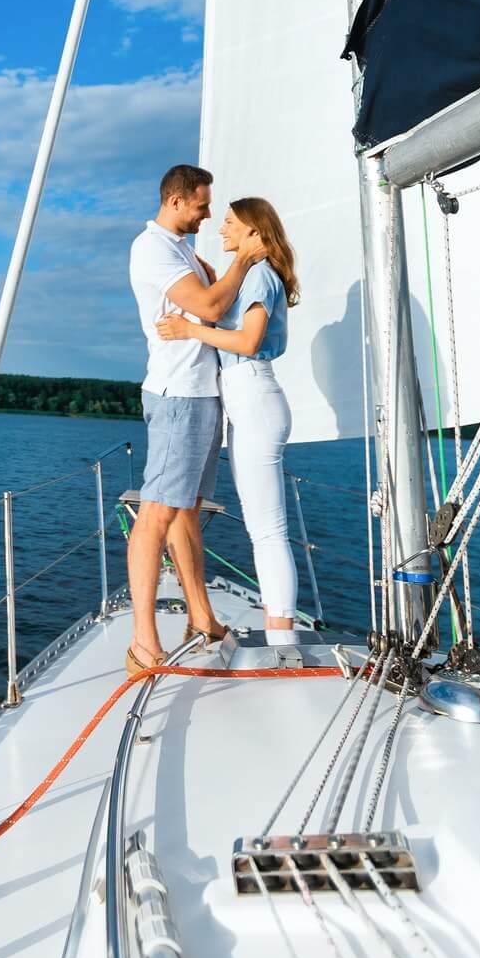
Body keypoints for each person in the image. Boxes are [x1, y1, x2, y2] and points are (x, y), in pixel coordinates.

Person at [125, 164, 266, 679]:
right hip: (178, 395)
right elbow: (209, 303)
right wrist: (244, 258)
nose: (207, 215)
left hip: (200, 394)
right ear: (177, 200)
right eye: (202, 205)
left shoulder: (181, 249)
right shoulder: (153, 249)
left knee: (184, 511)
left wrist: (226, 270)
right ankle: (143, 643)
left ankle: (201, 618)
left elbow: (210, 298)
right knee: (156, 515)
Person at [158, 196, 300, 633]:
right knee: (263, 529)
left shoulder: (259, 275)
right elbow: (223, 305)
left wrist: (189, 329)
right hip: (247, 399)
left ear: (254, 231)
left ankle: (281, 639)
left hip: (254, 395)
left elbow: (248, 342)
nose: (221, 229)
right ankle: (279, 632)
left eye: (230, 223)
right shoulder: (253, 274)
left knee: (268, 531)